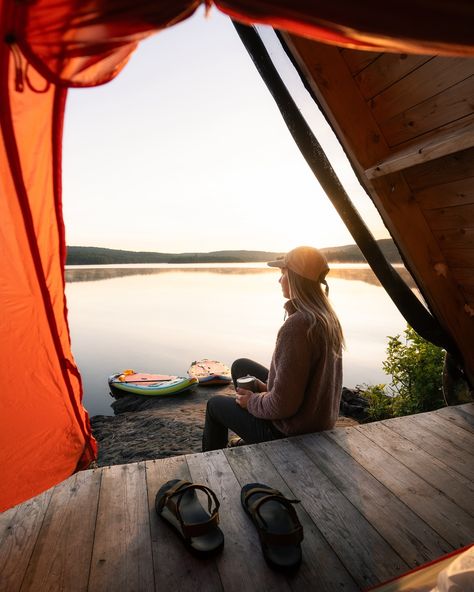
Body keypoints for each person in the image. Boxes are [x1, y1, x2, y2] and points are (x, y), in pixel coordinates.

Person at [201, 246, 344, 452]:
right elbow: (304, 384)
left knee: (215, 405)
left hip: (293, 432)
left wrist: (252, 401)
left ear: (294, 277)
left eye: (282, 273)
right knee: (242, 367)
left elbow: (283, 405)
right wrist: (265, 389)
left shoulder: (299, 325)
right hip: (317, 419)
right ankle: (251, 436)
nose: (279, 280)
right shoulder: (325, 317)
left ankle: (211, 463)